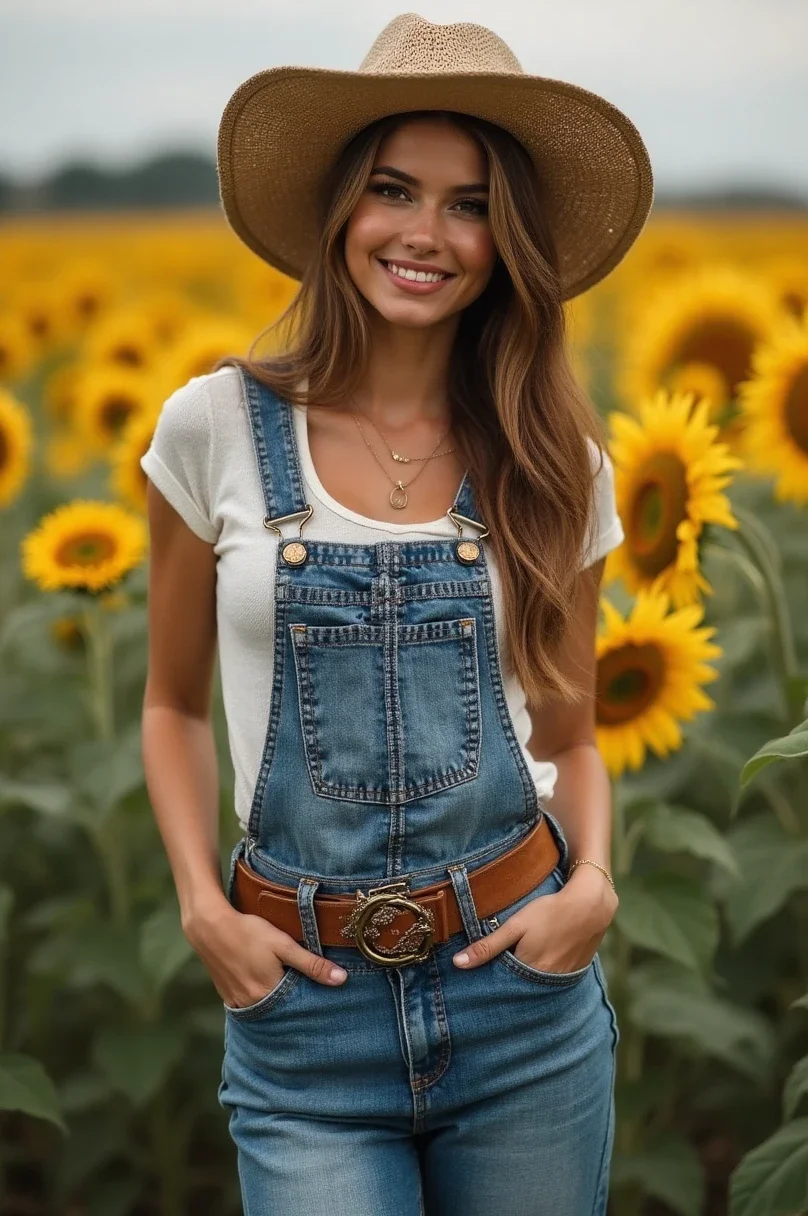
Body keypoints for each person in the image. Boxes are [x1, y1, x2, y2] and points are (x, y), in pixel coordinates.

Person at [140, 13, 653, 1215]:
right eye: (393, 191)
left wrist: (595, 890)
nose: (426, 235)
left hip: (520, 998)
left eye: (470, 204)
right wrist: (202, 910)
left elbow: (571, 738)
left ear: (509, 238)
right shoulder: (211, 427)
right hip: (302, 1016)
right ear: (339, 210)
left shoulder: (555, 463)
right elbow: (169, 706)